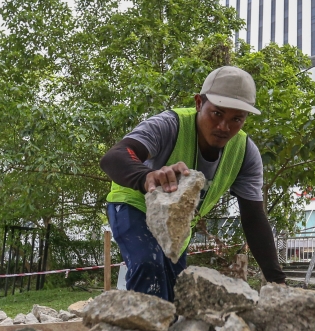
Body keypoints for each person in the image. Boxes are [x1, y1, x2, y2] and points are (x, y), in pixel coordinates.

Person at [101, 66, 287, 300]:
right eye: (217, 114)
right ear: (199, 102)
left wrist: (277, 281)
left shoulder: (245, 153)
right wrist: (146, 177)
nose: (224, 127)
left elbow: (253, 218)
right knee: (148, 265)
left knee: (180, 296)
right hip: (133, 206)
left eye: (236, 119)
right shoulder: (169, 124)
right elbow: (114, 156)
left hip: (178, 227)